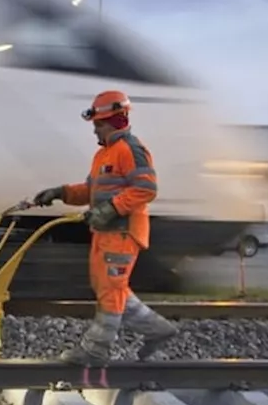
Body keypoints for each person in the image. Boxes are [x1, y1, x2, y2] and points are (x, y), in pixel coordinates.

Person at [32, 90, 178, 365]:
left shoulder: (131, 150)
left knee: (111, 289)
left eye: (98, 125)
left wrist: (111, 209)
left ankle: (96, 349)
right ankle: (158, 330)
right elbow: (91, 190)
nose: (95, 131)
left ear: (114, 121)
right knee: (110, 287)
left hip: (123, 232)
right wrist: (61, 192)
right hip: (106, 233)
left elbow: (146, 189)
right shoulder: (104, 155)